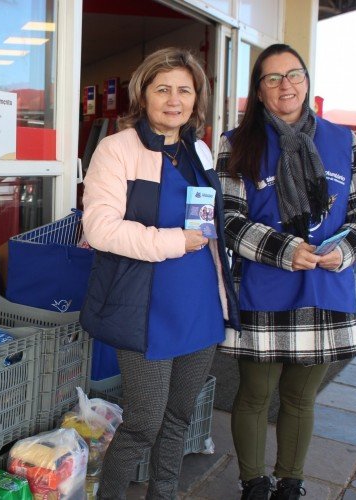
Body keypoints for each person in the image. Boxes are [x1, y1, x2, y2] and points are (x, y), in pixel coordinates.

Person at [216, 44, 356, 499]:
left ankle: (290, 482)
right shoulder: (236, 143)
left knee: (301, 398)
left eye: (294, 75)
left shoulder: (341, 140)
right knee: (253, 396)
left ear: (307, 80)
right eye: (273, 78)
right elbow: (227, 218)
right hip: (264, 287)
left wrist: (345, 247)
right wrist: (284, 249)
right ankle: (253, 483)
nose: (286, 85)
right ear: (259, 90)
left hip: (326, 286)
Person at [79, 47, 241, 499]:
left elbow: (208, 224)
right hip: (147, 306)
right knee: (144, 423)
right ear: (143, 94)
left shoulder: (200, 151)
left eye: (184, 90)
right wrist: (174, 241)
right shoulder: (117, 149)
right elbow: (100, 228)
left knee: (179, 417)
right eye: (163, 88)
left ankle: (163, 492)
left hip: (200, 303)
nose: (174, 99)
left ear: (196, 98)